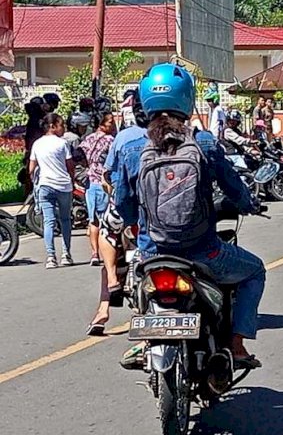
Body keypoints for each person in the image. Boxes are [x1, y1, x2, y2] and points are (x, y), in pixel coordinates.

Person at [114, 63, 265, 367]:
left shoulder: (131, 149)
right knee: (255, 271)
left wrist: (135, 225)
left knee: (137, 281)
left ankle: (146, 342)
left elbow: (123, 202)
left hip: (153, 252)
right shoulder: (204, 143)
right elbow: (233, 186)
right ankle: (236, 345)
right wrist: (248, 203)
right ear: (187, 99)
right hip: (203, 252)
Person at [89, 92, 149, 336]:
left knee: (107, 234)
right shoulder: (179, 135)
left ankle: (106, 301)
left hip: (127, 209)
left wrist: (111, 187)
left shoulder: (124, 138)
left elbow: (108, 174)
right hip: (163, 211)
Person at [29, 113, 75, 269]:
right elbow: (70, 167)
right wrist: (72, 181)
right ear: (52, 126)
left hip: (45, 186)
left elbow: (31, 168)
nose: (63, 128)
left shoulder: (37, 144)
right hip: (63, 186)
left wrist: (35, 181)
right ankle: (66, 255)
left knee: (48, 221)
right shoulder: (62, 144)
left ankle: (50, 257)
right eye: (61, 125)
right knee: (65, 220)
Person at [79, 111, 116, 266]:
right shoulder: (110, 140)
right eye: (110, 122)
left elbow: (77, 157)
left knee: (93, 220)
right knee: (106, 221)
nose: (113, 125)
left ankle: (94, 253)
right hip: (104, 182)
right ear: (101, 124)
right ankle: (107, 253)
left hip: (89, 182)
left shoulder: (87, 139)